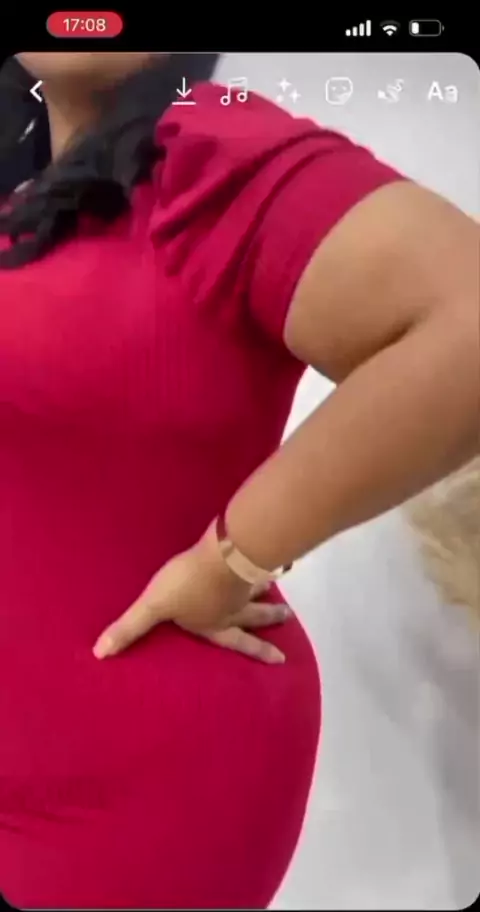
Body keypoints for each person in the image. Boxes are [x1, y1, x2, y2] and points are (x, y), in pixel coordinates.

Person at [0, 51, 477, 909]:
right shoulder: (25, 175)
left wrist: (233, 559)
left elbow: (468, 319)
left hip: (128, 773)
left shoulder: (205, 145)